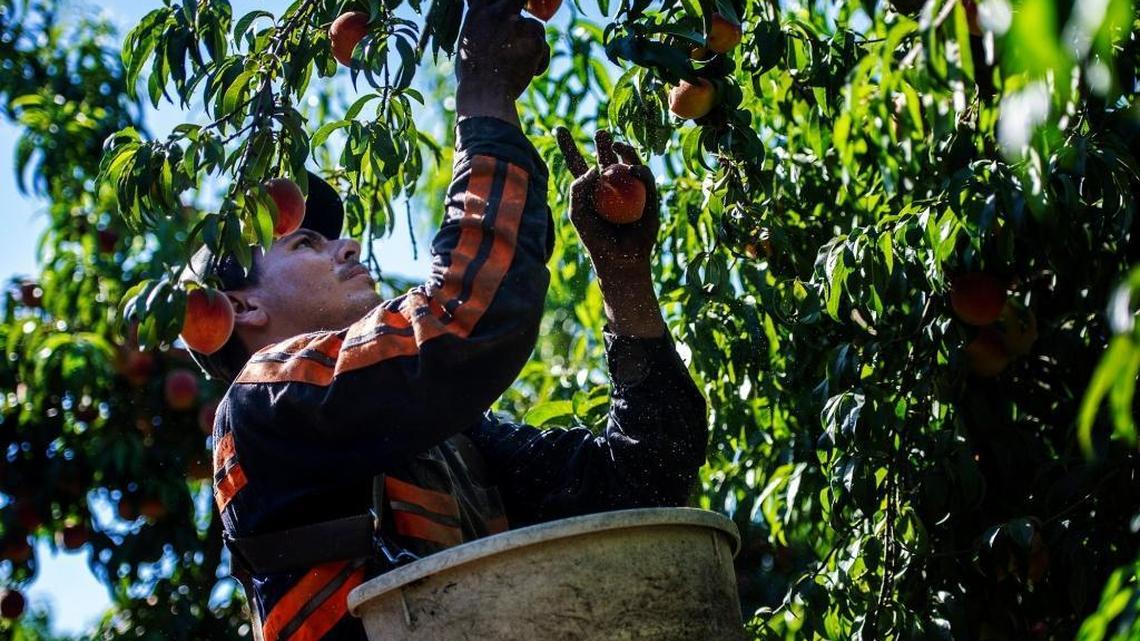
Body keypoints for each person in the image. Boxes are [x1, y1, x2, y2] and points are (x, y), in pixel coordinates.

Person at [188, 0, 708, 638]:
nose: (346, 247)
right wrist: (483, 96)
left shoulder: (454, 443)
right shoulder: (266, 404)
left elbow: (644, 480)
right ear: (242, 306)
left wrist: (624, 277)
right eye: (305, 245)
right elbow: (460, 320)